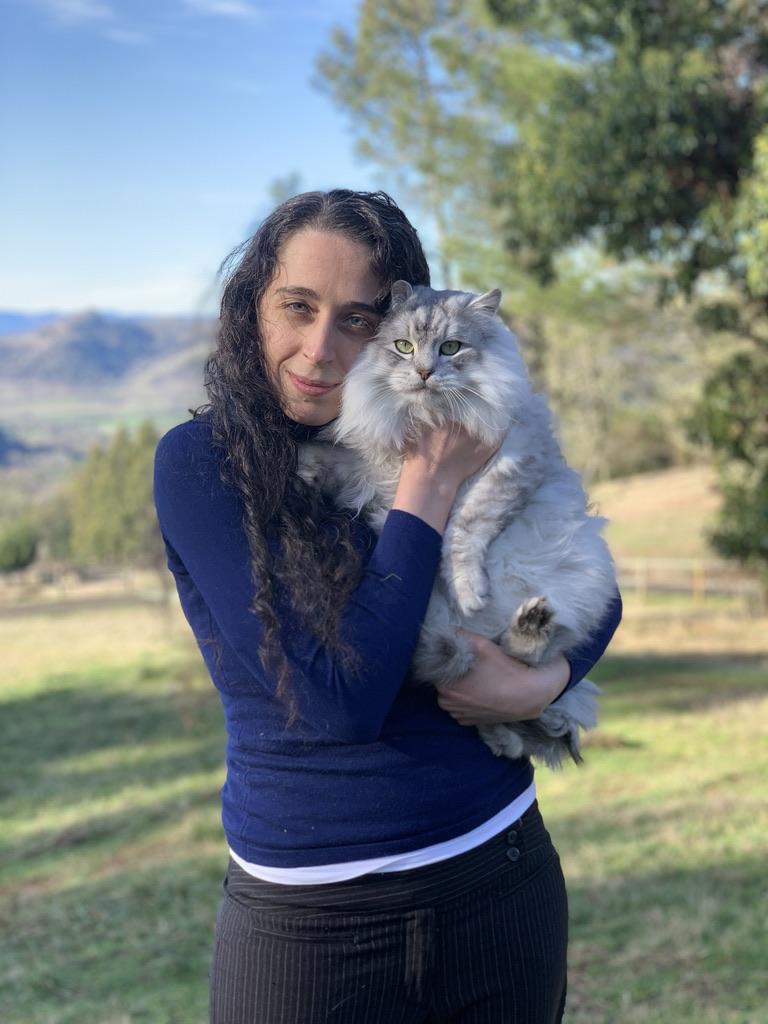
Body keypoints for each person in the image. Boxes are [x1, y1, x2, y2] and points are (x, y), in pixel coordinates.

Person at [152, 189, 622, 1024]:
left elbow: (588, 576)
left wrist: (541, 682)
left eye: (357, 320)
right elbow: (340, 701)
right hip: (311, 923)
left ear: (395, 324)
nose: (319, 349)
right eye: (298, 306)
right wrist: (428, 485)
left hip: (501, 873)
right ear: (253, 305)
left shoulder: (449, 423)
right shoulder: (204, 464)